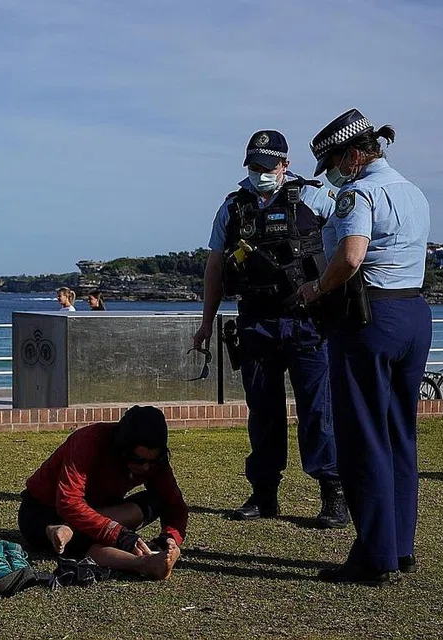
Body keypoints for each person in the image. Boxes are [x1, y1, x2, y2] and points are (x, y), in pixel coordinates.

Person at [299, 109, 431, 584]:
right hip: (414, 312)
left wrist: (316, 290)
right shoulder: (413, 191)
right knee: (400, 434)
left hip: (369, 317)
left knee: (362, 438)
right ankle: (401, 546)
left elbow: (352, 255)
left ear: (354, 154)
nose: (335, 171)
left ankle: (374, 556)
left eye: (335, 160)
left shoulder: (359, 193)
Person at [193, 130, 349, 529]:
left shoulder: (316, 198)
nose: (260, 172)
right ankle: (264, 493)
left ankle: (333, 492)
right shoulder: (232, 208)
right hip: (256, 322)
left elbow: (349, 245)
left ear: (285, 164)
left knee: (318, 409)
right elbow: (215, 266)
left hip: (307, 321)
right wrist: (207, 322)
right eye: (254, 165)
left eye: (267, 165)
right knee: (263, 411)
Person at [18, 405, 186, 580]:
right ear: (122, 448)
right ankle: (143, 563)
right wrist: (119, 535)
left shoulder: (155, 464)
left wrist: (170, 538)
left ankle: (70, 529)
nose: (145, 467)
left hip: (95, 512)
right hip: (42, 513)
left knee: (155, 500)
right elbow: (68, 502)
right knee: (83, 539)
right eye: (138, 459)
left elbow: (173, 504)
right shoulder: (88, 441)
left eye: (153, 461)